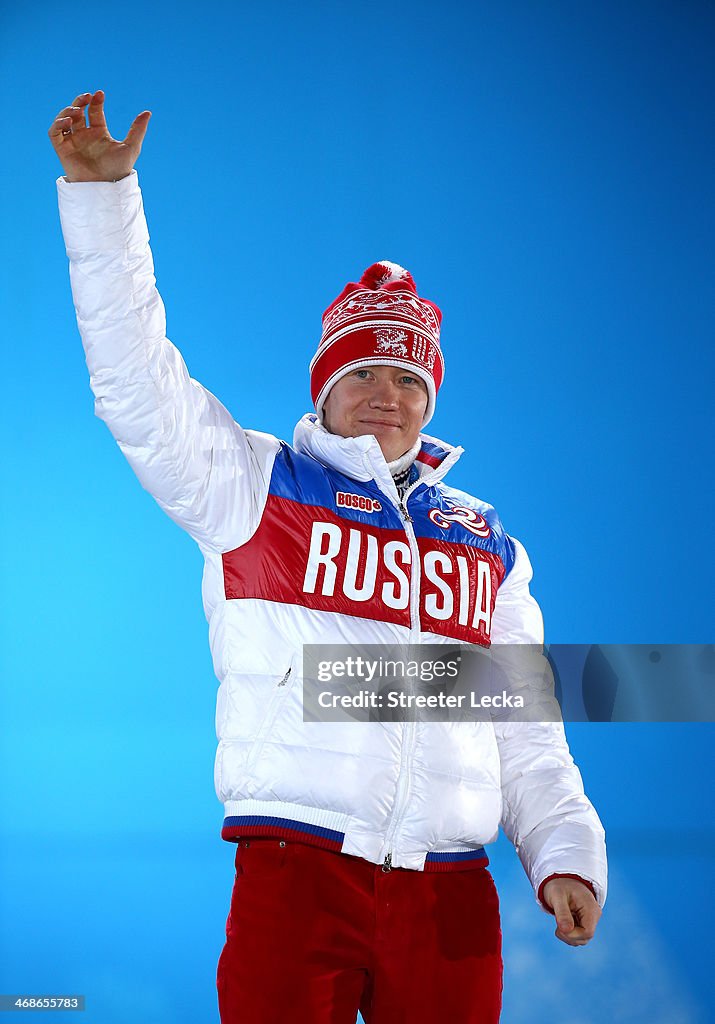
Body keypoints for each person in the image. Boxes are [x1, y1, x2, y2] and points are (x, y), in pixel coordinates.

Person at [49, 91, 607, 1024]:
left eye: (406, 378)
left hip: (450, 893)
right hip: (296, 870)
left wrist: (562, 854)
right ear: (325, 385)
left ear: (430, 396)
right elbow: (138, 389)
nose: (386, 397)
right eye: (362, 375)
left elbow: (525, 725)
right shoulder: (253, 487)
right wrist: (104, 203)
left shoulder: (487, 543)